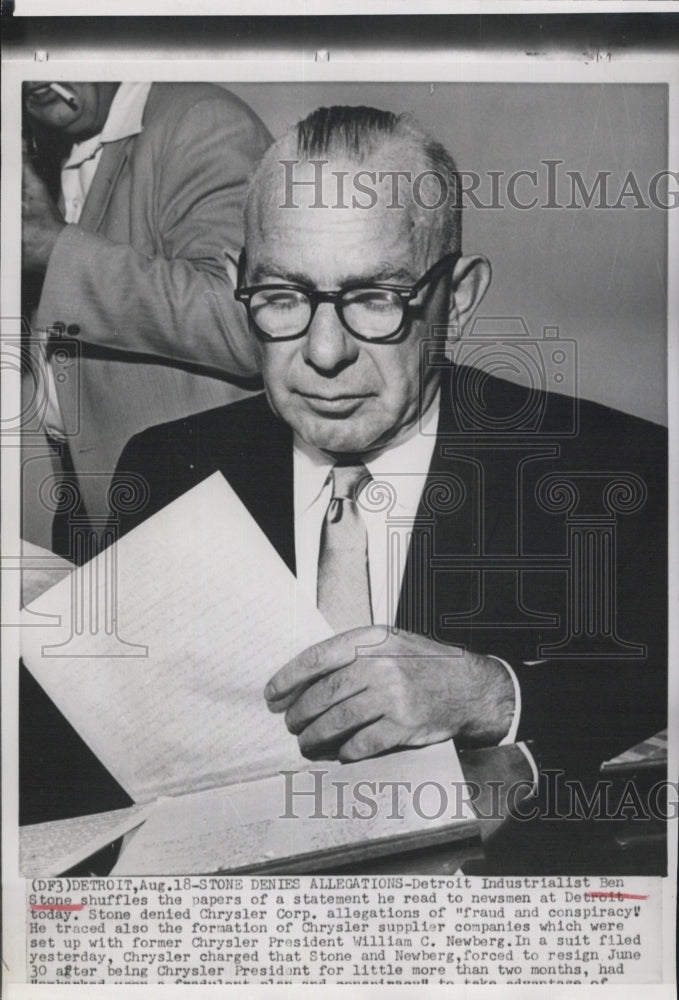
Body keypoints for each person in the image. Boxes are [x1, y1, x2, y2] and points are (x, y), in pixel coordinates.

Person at [21, 107, 667, 855]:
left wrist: (493, 694)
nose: (322, 354)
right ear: (238, 285)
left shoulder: (615, 469)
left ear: (456, 297)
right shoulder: (168, 467)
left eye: (373, 300)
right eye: (283, 298)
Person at [21, 81, 271, 552]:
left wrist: (55, 251)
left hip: (195, 513)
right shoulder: (45, 148)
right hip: (88, 499)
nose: (38, 71)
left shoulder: (201, 118)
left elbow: (245, 320)